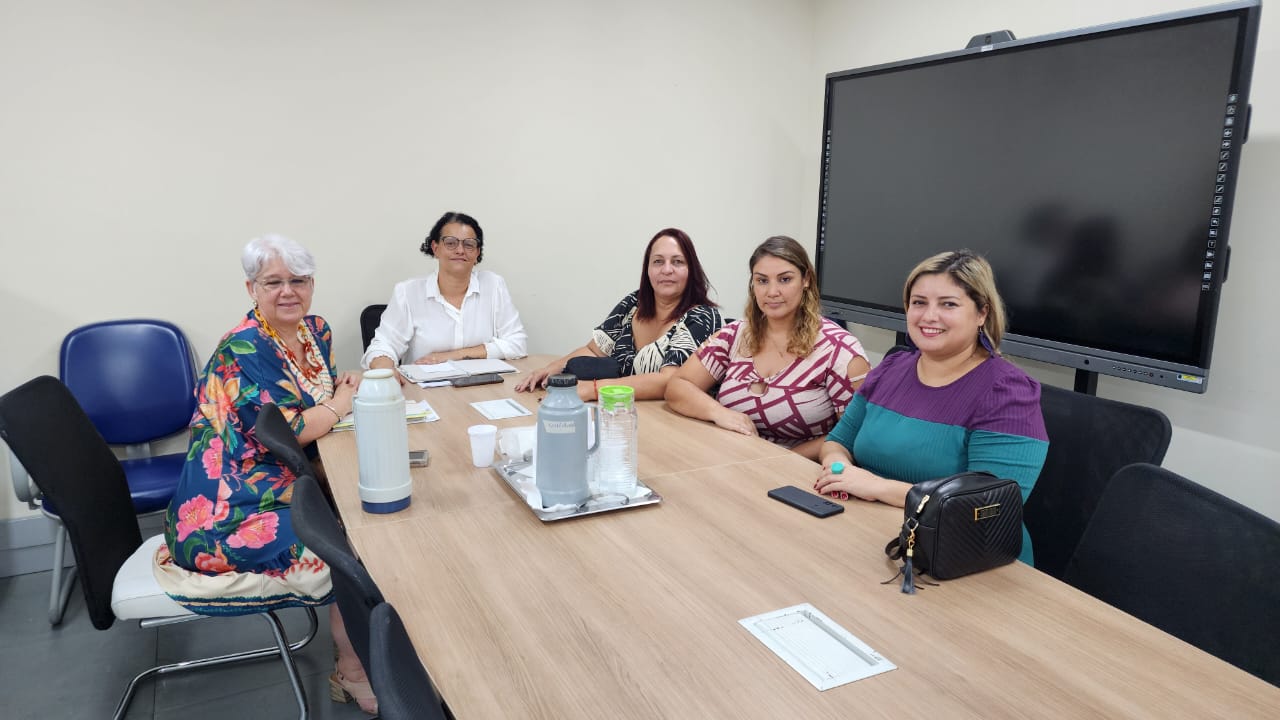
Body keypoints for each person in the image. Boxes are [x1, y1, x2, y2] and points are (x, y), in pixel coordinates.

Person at [157, 235, 377, 714]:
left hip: (285, 477)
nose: (287, 292)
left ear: (312, 284)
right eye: (272, 282)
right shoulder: (245, 346)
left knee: (370, 516)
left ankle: (375, 648)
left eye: (298, 280)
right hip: (230, 505)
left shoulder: (314, 331)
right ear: (251, 288)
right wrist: (341, 403)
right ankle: (351, 670)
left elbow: (316, 399)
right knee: (351, 548)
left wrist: (337, 397)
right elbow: (297, 425)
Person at [813, 249, 1049, 565]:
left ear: (982, 313)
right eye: (919, 302)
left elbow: (987, 507)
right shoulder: (890, 368)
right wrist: (838, 469)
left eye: (948, 304)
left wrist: (877, 487)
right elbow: (837, 443)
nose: (929, 316)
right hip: (870, 535)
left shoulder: (1008, 391)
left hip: (970, 559)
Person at [665, 236, 870, 460]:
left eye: (784, 279)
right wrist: (719, 413)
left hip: (799, 472)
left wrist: (777, 459)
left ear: (806, 280)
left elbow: (855, 435)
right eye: (762, 281)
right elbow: (678, 386)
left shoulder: (839, 349)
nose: (772, 292)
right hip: (729, 463)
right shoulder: (736, 334)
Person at [515, 227, 722, 401]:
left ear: (691, 270)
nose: (666, 270)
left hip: (674, 423)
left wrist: (593, 390)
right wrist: (552, 368)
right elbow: (595, 350)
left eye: (677, 262)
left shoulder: (703, 318)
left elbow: (669, 381)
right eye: (658, 261)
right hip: (622, 410)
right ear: (647, 269)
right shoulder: (634, 303)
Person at [362, 211, 527, 381]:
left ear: (477, 252)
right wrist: (386, 371)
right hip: (426, 393)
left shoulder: (493, 285)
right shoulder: (408, 292)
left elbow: (517, 343)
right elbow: (382, 346)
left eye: (469, 244)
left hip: (483, 390)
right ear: (435, 248)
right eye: (450, 243)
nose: (460, 250)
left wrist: (453, 355)